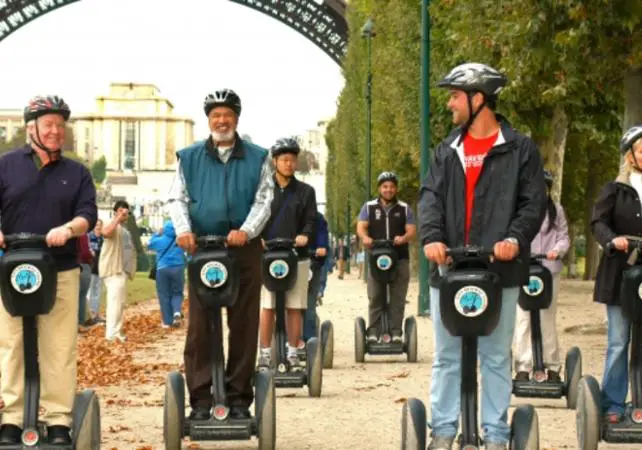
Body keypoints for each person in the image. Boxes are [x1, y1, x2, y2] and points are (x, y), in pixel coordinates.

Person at [418, 63, 546, 450]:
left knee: (494, 355)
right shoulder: (446, 150)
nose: (449, 104)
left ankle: (495, 434)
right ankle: (441, 432)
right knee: (447, 356)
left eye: (455, 95)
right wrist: (432, 237)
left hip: (500, 269)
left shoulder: (520, 148)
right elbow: (430, 199)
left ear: (478, 98)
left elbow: (532, 202)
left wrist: (515, 238)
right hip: (451, 267)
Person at [167, 88, 273, 421]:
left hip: (243, 250)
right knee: (200, 325)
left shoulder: (258, 156)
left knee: (243, 323)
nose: (221, 120)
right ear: (209, 119)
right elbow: (177, 199)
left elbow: (264, 199)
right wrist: (184, 231)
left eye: (227, 114)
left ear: (236, 118)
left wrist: (247, 230)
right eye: (215, 115)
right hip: (204, 249)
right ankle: (200, 398)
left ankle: (239, 397)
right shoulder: (189, 157)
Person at [0, 95, 97, 445]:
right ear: (31, 129)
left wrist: (69, 229)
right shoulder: (6, 165)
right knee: (11, 344)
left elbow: (88, 214)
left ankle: (58, 419)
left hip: (61, 269)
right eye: (48, 124)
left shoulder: (77, 172)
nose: (56, 131)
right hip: (13, 271)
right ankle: (12, 417)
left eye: (60, 125)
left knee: (58, 346)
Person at [591, 125, 642, 425]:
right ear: (630, 155)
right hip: (619, 273)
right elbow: (598, 221)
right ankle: (613, 403)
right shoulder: (615, 189)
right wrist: (612, 240)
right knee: (619, 340)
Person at [257, 138, 317, 369]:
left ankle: (292, 351)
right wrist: (258, 238)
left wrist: (304, 236)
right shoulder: (262, 190)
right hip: (267, 255)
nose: (288, 164)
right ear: (275, 162)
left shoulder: (305, 192)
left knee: (295, 305)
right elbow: (255, 216)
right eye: (284, 160)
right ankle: (264, 353)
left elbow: (310, 220)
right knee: (268, 305)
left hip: (296, 255)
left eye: (292, 160)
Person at [513, 169, 570, 382]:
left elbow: (563, 237)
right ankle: (523, 366)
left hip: (548, 271)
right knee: (524, 319)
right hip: (523, 270)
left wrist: (557, 250)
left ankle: (552, 365)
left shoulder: (556, 210)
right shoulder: (518, 211)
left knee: (547, 318)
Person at [356, 171, 417, 344]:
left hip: (400, 258)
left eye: (391, 186)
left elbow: (411, 230)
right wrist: (365, 238)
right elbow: (361, 227)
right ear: (379, 188)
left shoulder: (404, 208)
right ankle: (374, 331)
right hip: (377, 258)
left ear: (396, 188)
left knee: (398, 296)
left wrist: (403, 238)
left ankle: (396, 331)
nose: (388, 190)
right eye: (385, 186)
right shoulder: (369, 207)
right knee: (375, 295)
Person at [99, 200, 137, 342]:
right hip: (113, 268)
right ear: (116, 211)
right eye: (121, 211)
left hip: (123, 270)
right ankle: (111, 334)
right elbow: (106, 232)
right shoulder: (111, 223)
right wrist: (117, 219)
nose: (124, 215)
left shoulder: (125, 230)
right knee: (114, 302)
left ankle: (117, 331)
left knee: (119, 302)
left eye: (126, 212)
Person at [147, 219, 186, 328]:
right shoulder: (180, 240)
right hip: (178, 268)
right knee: (177, 292)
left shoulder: (160, 240)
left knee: (164, 295)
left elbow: (149, 244)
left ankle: (167, 321)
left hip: (162, 269)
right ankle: (177, 312)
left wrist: (156, 234)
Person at [303, 211, 329, 342]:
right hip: (289, 263)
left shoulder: (318, 217)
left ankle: (309, 340)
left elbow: (322, 234)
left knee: (309, 303)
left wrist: (322, 246)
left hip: (311, 263)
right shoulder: (286, 212)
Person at [87, 219, 104, 322]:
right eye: (96, 225)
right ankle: (89, 315)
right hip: (91, 267)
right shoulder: (89, 236)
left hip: (101, 267)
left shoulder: (103, 238)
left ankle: (96, 314)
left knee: (97, 292)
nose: (98, 227)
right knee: (89, 291)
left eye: (99, 225)